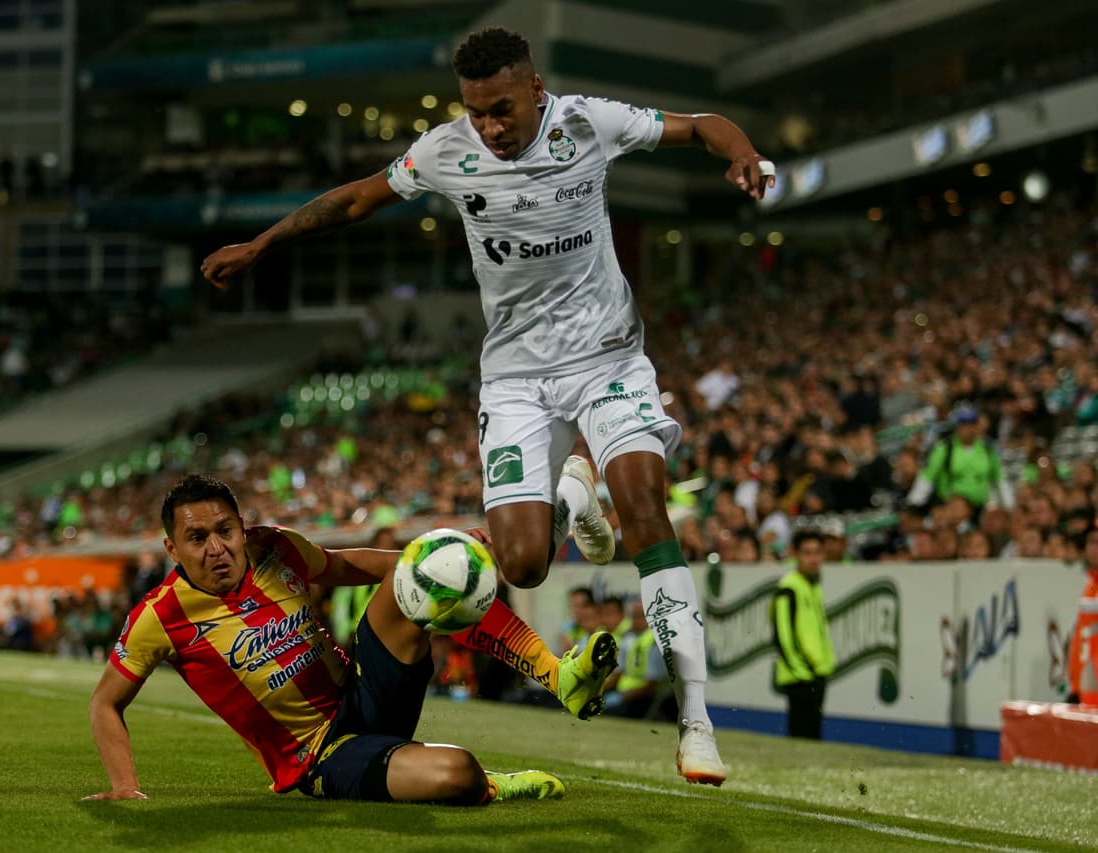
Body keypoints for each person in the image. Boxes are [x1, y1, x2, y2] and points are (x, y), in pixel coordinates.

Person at [201, 25, 775, 785]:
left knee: (646, 505)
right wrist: (263, 244)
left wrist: (739, 153)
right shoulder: (448, 149)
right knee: (523, 564)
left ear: (535, 89)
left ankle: (696, 719)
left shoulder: (586, 122)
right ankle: (575, 493)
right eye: (477, 112)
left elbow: (701, 125)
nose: (490, 128)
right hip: (515, 379)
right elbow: (356, 199)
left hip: (606, 357)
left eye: (501, 109)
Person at [86, 474, 616, 803]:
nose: (217, 548)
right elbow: (106, 703)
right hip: (320, 754)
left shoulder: (275, 548)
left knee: (431, 572)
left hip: (364, 689)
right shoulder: (160, 616)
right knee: (457, 774)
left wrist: (439, 555)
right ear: (172, 549)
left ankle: (557, 675)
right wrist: (125, 785)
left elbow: (343, 564)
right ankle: (490, 785)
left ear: (241, 526)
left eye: (225, 530)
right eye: (197, 539)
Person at [771, 530, 836, 740]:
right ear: (795, 554)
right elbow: (782, 636)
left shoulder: (813, 585)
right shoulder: (789, 587)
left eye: (817, 552)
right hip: (800, 676)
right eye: (807, 553)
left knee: (813, 737)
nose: (813, 558)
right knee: (802, 737)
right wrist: (802, 670)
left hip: (816, 673)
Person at [908, 405, 1013, 514]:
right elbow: (927, 477)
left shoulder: (988, 449)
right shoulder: (945, 449)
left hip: (979, 508)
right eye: (963, 425)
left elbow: (1000, 480)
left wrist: (1010, 506)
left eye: (972, 424)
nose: (968, 429)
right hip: (951, 507)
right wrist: (914, 504)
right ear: (957, 427)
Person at [1066, 526, 1098, 705]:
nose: (1095, 548)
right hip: (1086, 690)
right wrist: (1076, 687)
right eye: (1092, 542)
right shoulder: (1091, 585)